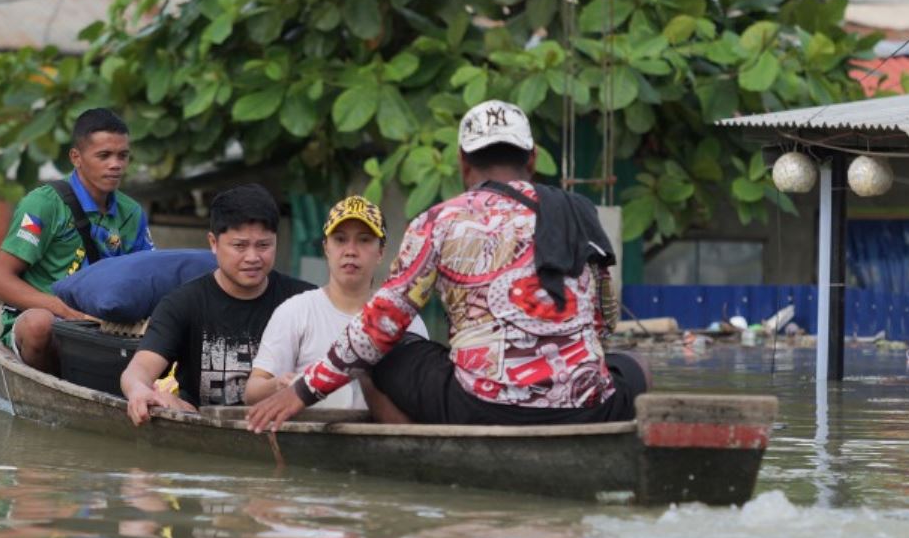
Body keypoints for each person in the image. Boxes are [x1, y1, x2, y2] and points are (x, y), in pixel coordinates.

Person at [247, 100, 648, 433]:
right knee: (634, 366)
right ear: (533, 159)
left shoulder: (437, 222)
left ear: (462, 162)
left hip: (482, 408)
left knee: (377, 353)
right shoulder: (578, 211)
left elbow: (377, 328)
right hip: (588, 407)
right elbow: (603, 318)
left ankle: (413, 458)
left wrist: (301, 392)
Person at [121, 184, 314, 423]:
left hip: (287, 427)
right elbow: (138, 370)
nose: (253, 257)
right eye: (239, 246)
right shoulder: (183, 303)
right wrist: (139, 390)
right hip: (203, 428)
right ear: (213, 243)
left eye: (264, 245)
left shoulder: (305, 301)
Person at [0, 108, 153, 372]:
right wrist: (63, 310)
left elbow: (149, 276)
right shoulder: (42, 204)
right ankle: (53, 379)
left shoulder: (132, 212)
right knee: (38, 324)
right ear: (76, 157)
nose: (116, 164)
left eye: (123, 156)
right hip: (48, 318)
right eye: (104, 156)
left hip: (105, 322)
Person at [243, 195, 427, 411]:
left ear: (381, 252)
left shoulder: (403, 319)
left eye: (364, 240)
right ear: (326, 248)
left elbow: (421, 394)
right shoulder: (296, 311)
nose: (350, 250)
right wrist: (280, 384)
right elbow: (252, 392)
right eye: (340, 239)